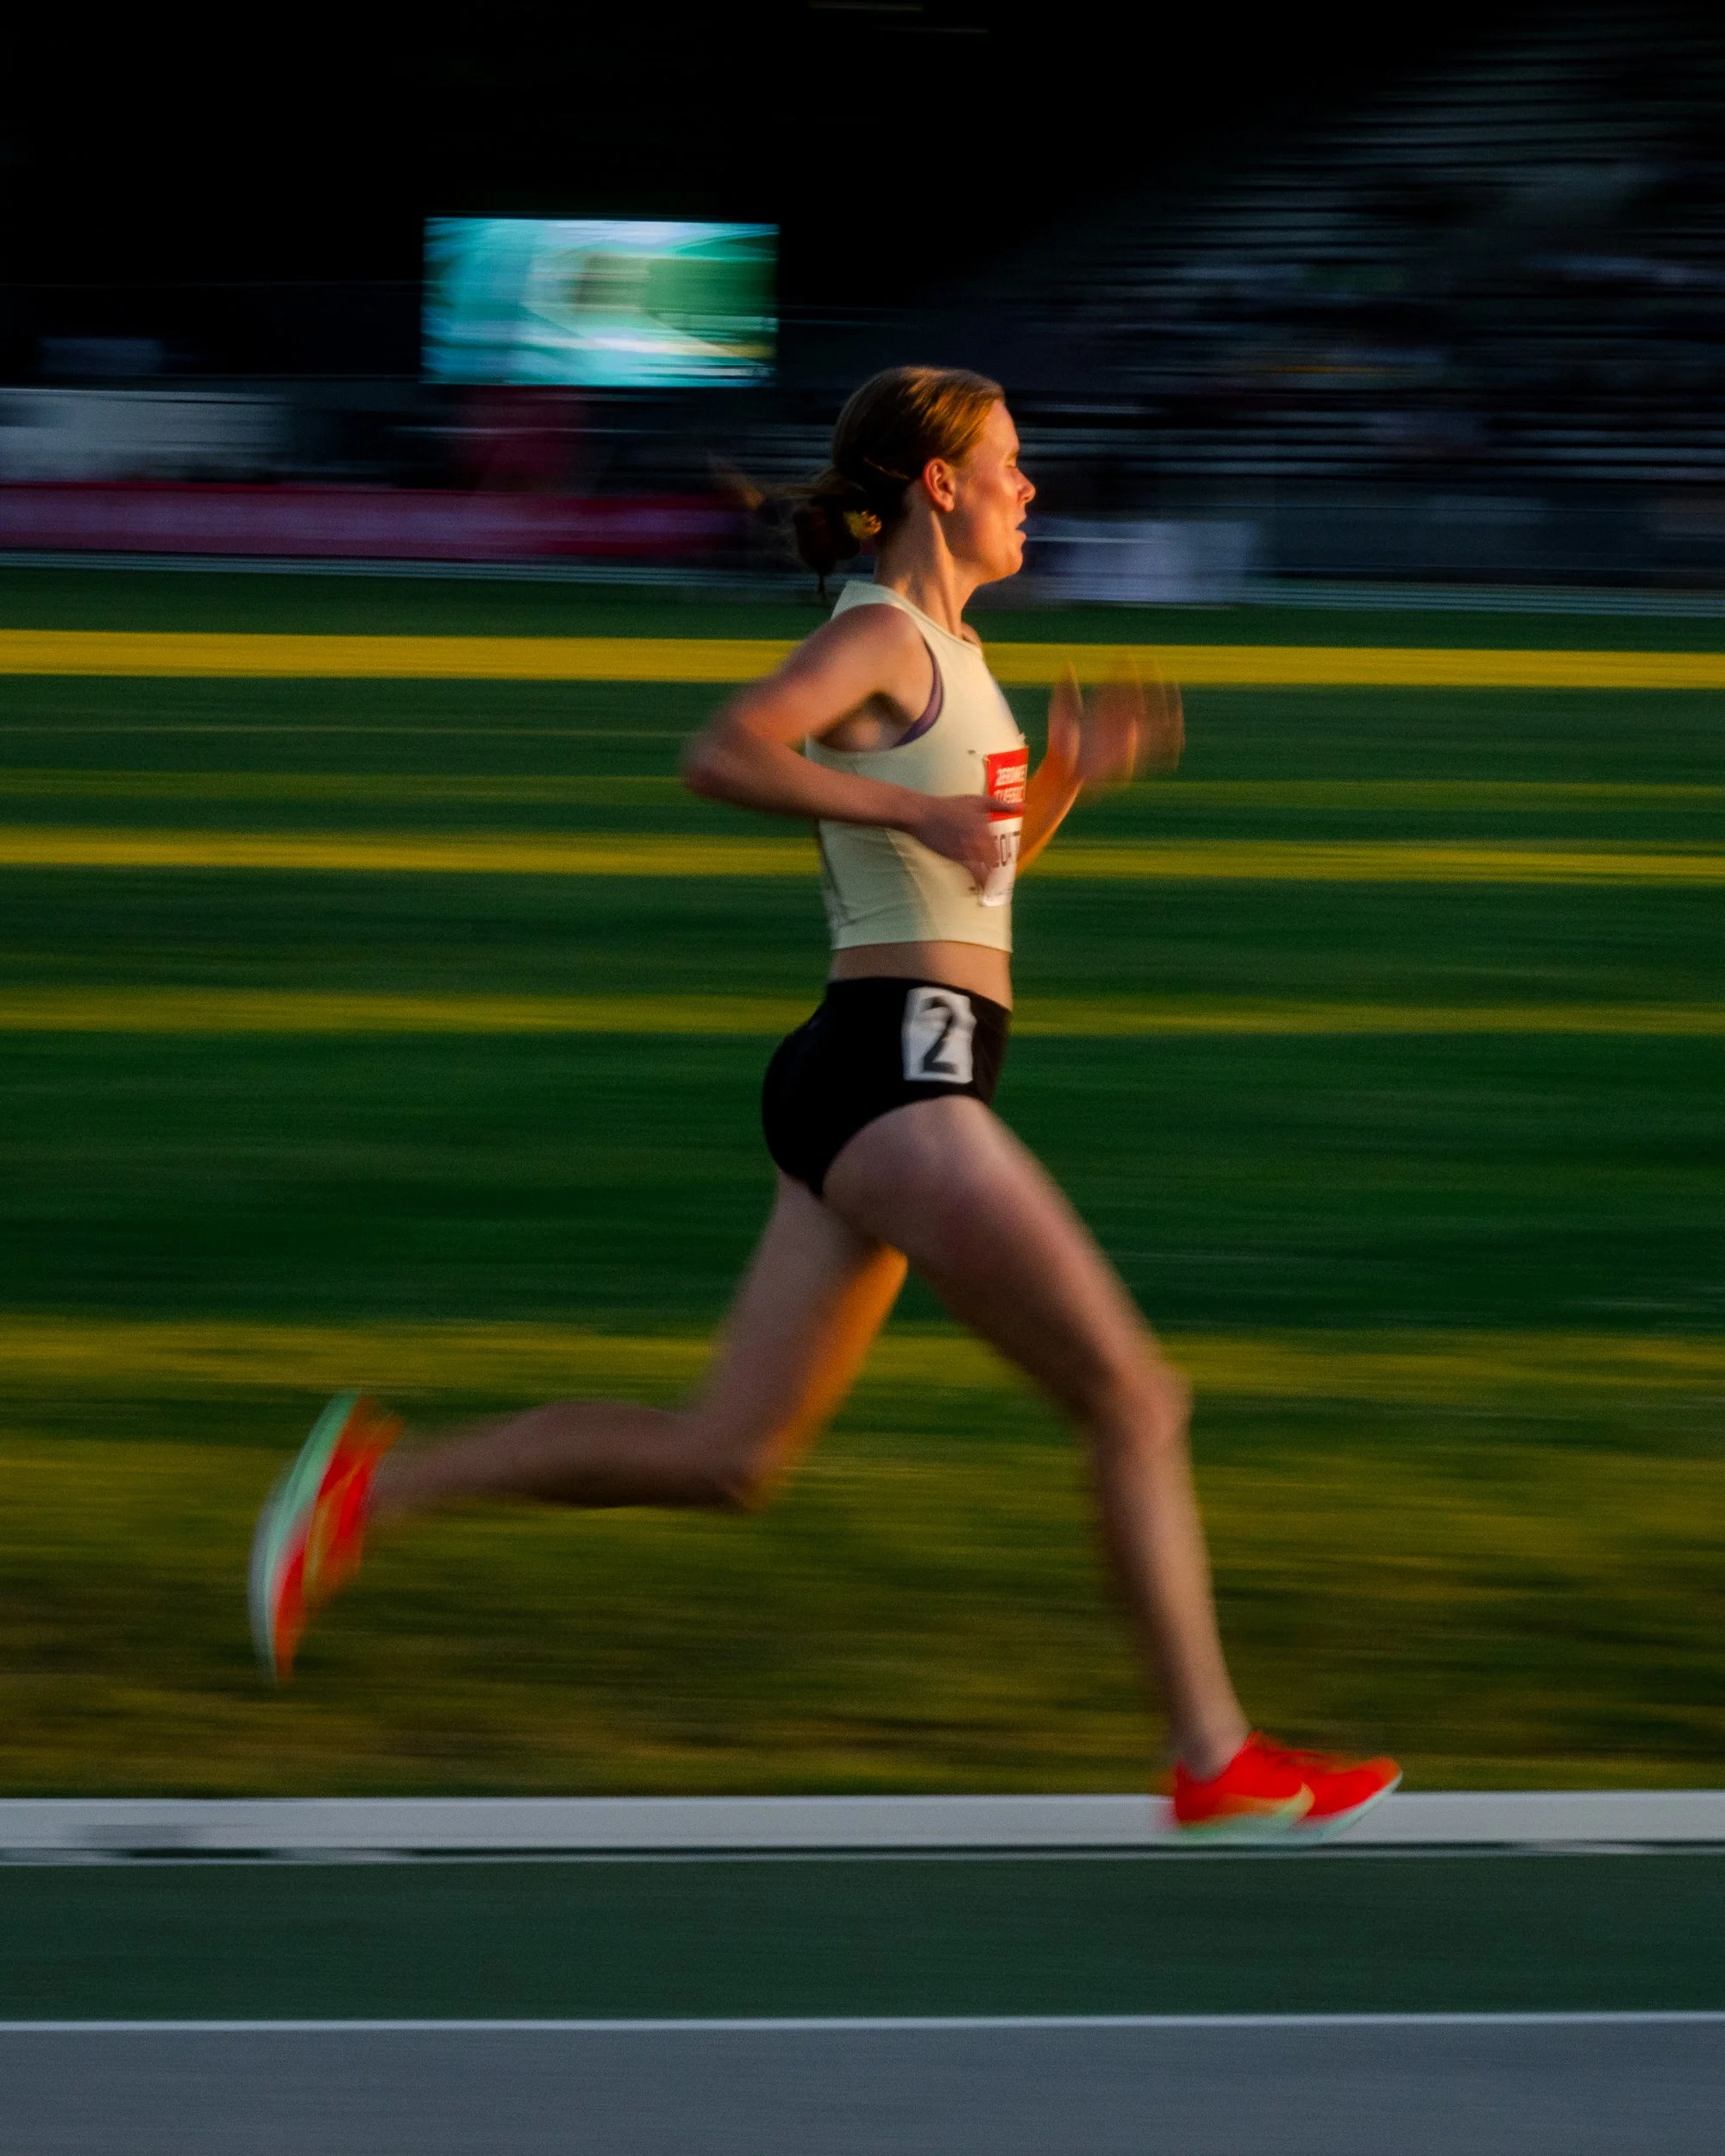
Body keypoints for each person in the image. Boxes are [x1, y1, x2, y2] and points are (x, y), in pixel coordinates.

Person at [250, 365, 1399, 1839]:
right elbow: (723, 751)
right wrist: (910, 805)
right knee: (1134, 1398)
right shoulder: (876, 634)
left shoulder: (952, 652)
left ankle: (368, 1492)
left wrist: (1059, 781)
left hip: (878, 1068)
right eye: (1010, 463)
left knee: (725, 1461)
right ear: (940, 484)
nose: (1030, 489)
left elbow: (974, 871)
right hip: (898, 1073)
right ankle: (1212, 1754)